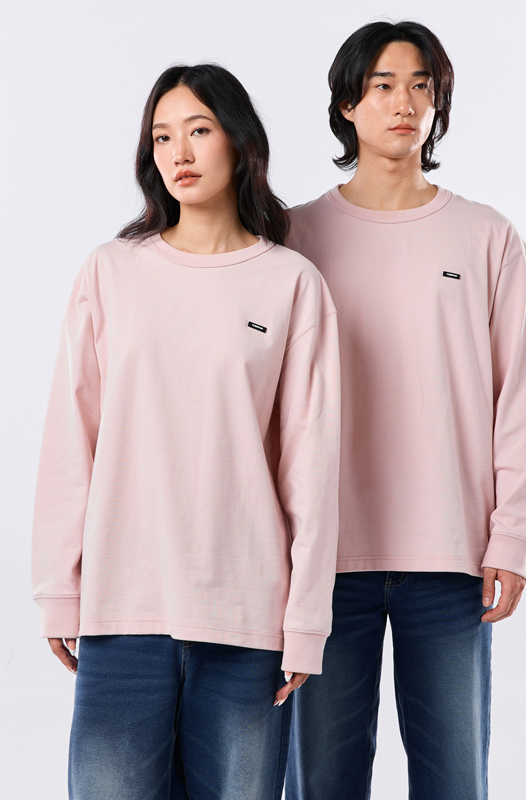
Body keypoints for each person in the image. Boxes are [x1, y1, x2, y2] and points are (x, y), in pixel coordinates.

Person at [30, 62, 341, 800]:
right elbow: (71, 438)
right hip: (121, 612)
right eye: (163, 136)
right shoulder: (110, 272)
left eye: (198, 130)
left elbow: (311, 465)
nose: (180, 152)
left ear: (239, 141)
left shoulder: (291, 282)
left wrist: (306, 620)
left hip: (247, 620)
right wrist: (58, 590)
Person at [283, 19, 526, 800]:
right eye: (383, 85)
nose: (405, 103)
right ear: (346, 103)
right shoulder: (294, 237)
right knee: (322, 782)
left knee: (456, 781)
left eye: (422, 86)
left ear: (439, 104)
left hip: (451, 556)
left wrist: (511, 536)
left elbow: (518, 396)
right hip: (322, 561)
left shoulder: (488, 237)